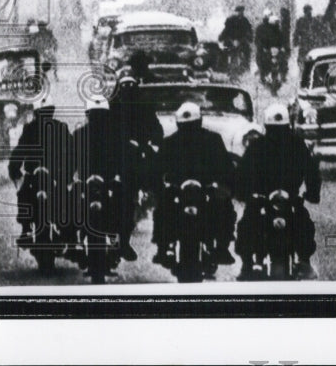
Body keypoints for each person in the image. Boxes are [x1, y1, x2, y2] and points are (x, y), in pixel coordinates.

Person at [235, 105, 321, 280]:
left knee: (301, 223)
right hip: (275, 199)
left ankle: (249, 264)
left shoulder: (258, 145)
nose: (277, 134)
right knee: (300, 222)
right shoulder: (297, 144)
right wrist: (312, 193)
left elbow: (241, 173)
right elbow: (312, 171)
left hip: (274, 199)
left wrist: (243, 193)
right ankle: (249, 263)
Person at [151, 102, 236, 267]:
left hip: (201, 189)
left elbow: (155, 171)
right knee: (164, 206)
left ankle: (165, 247)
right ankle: (219, 247)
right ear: (200, 120)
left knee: (222, 205)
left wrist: (223, 185)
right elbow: (227, 168)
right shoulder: (213, 139)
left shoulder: (170, 142)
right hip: (185, 189)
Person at [71, 95, 136, 262]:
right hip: (97, 181)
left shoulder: (80, 134)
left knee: (126, 201)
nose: (98, 119)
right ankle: (121, 242)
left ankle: (120, 241)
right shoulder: (116, 134)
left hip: (102, 182)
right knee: (126, 202)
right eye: (96, 115)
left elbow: (69, 160)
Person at [8, 99, 73, 248]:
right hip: (54, 175)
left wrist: (16, 172)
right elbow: (72, 153)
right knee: (64, 198)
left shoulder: (30, 128)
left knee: (24, 193)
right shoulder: (60, 127)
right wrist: (67, 174)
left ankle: (26, 230)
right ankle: (64, 232)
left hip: (39, 176)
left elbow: (18, 153)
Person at [219, 5, 253, 75]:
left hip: (241, 40)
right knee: (229, 53)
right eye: (239, 11)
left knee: (247, 52)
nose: (240, 13)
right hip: (230, 40)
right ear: (236, 12)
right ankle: (228, 69)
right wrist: (226, 39)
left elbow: (248, 31)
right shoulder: (231, 20)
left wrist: (249, 38)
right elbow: (226, 30)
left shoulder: (245, 20)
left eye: (242, 11)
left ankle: (245, 68)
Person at [254, 10, 285, 80]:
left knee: (283, 60)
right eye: (268, 15)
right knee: (261, 59)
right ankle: (262, 75)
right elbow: (258, 40)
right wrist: (262, 47)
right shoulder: (260, 28)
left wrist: (282, 47)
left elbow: (281, 40)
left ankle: (283, 75)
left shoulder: (276, 30)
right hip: (264, 49)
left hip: (274, 50)